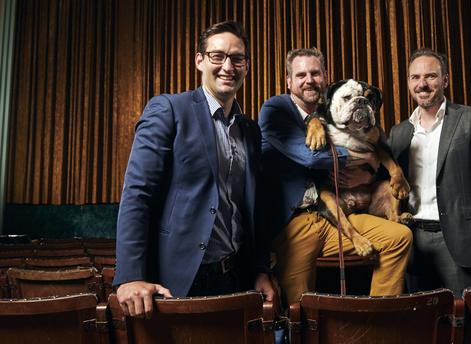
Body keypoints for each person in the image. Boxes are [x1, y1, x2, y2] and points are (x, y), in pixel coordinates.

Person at [114, 21, 274, 318]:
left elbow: (253, 210)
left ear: (247, 66)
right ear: (199, 60)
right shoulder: (169, 110)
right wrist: (130, 276)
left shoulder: (250, 130)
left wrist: (260, 269)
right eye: (217, 56)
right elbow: (137, 194)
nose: (228, 66)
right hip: (179, 278)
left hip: (236, 277)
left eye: (237, 58)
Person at [257, 48, 412, 305]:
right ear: (288, 81)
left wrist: (376, 160)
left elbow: (377, 143)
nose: (309, 80)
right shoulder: (278, 108)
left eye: (315, 73)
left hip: (339, 215)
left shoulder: (334, 109)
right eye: (301, 75)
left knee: (399, 238)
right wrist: (368, 158)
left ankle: (379, 320)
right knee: (299, 304)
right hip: (298, 221)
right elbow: (311, 157)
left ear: (325, 77)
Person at [387, 48, 471, 297]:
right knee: (422, 326)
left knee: (467, 323)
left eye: (431, 77)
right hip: (412, 243)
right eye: (415, 77)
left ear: (445, 79)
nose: (422, 84)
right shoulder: (399, 132)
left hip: (461, 242)